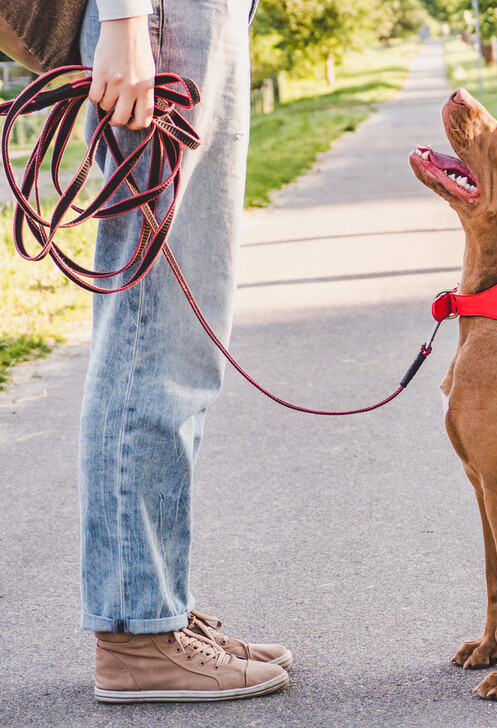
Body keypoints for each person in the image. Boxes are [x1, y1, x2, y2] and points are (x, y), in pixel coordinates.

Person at [77, 0, 290, 702]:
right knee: (154, 330)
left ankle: (157, 608)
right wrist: (128, 21)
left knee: (184, 343)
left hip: (194, 17)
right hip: (167, 17)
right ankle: (136, 635)